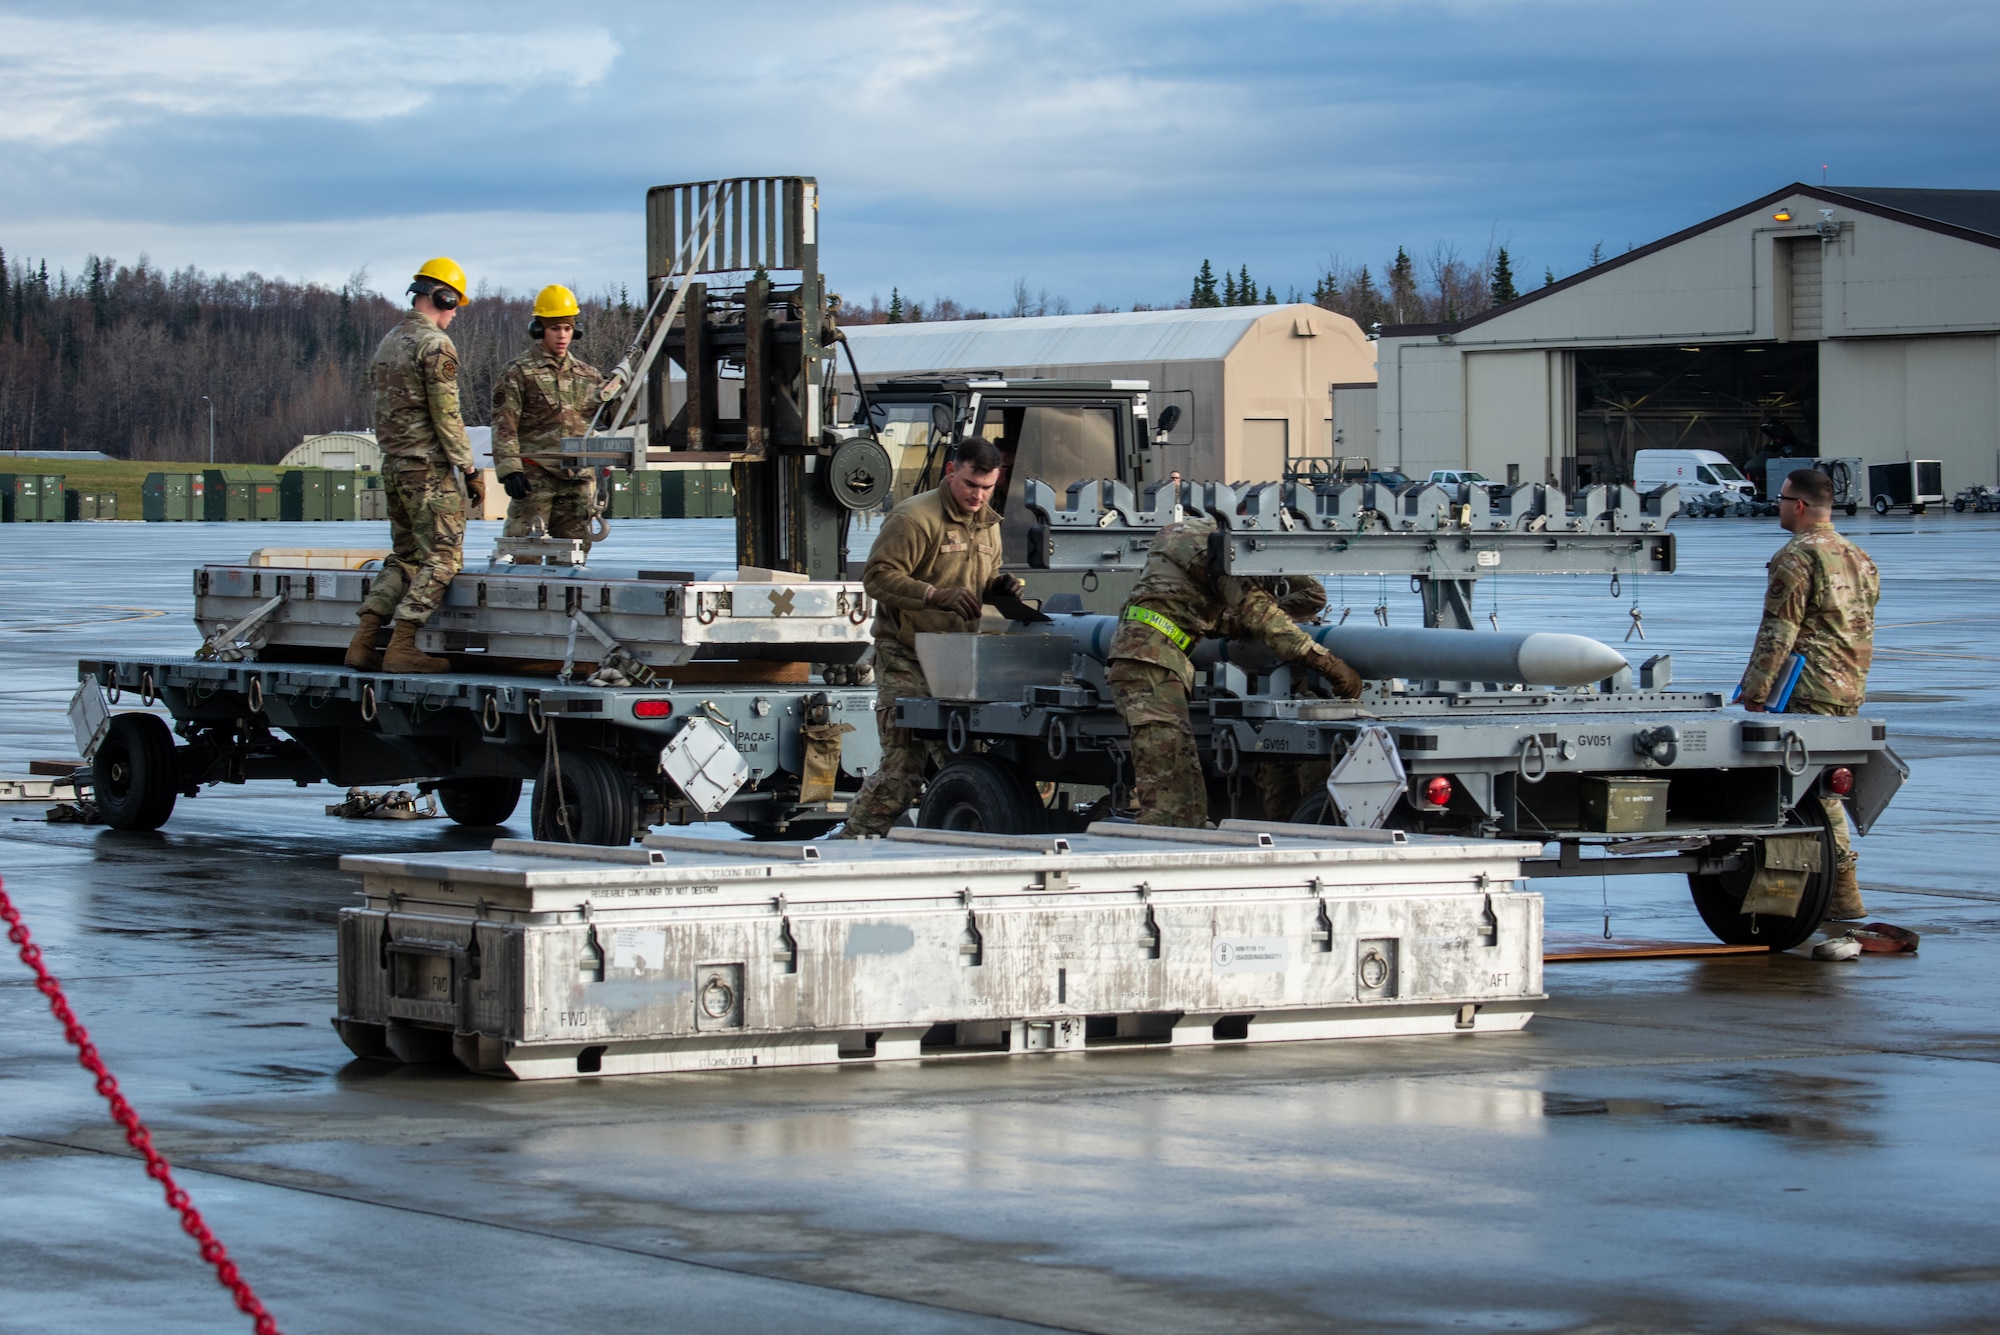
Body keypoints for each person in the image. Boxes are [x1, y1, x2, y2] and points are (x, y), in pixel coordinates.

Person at [1107, 515, 1362, 827]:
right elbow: (1263, 617)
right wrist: (1328, 663)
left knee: (1183, 786)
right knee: (1170, 796)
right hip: (1149, 661)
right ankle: (1166, 849)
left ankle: (1184, 840)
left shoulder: (1184, 538)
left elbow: (1307, 597)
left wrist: (1270, 582)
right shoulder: (1214, 547)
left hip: (1150, 659)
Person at [836, 437, 1024, 838]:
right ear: (951, 471)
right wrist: (933, 595)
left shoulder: (989, 525)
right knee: (903, 770)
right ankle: (851, 843)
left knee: (970, 765)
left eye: (987, 487)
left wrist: (1001, 588)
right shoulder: (914, 518)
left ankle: (965, 844)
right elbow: (877, 578)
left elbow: (983, 578)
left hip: (957, 659)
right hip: (906, 654)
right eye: (971, 484)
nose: (978, 496)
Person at [1738, 467, 1880, 920]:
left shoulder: (1797, 556)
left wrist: (1755, 692)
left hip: (1806, 690)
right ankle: (1809, 898)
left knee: (1802, 794)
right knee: (1819, 791)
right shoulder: (1858, 556)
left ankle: (1838, 894)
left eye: (1780, 500)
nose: (1777, 507)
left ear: (1798, 505)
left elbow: (1778, 631)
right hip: (1849, 686)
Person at [346, 258, 483, 675]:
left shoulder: (390, 341)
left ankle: (364, 641)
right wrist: (469, 469)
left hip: (394, 467)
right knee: (443, 556)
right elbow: (447, 415)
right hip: (427, 471)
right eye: (454, 304)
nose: (455, 314)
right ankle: (403, 645)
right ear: (442, 297)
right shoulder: (434, 344)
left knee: (405, 557)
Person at [493, 285, 625, 547]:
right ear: (539, 330)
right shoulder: (518, 372)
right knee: (525, 551)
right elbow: (504, 425)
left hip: (577, 481)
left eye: (567, 328)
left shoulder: (589, 375)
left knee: (574, 553)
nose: (562, 335)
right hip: (535, 477)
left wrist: (624, 388)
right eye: (555, 328)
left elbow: (614, 418)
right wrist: (510, 470)